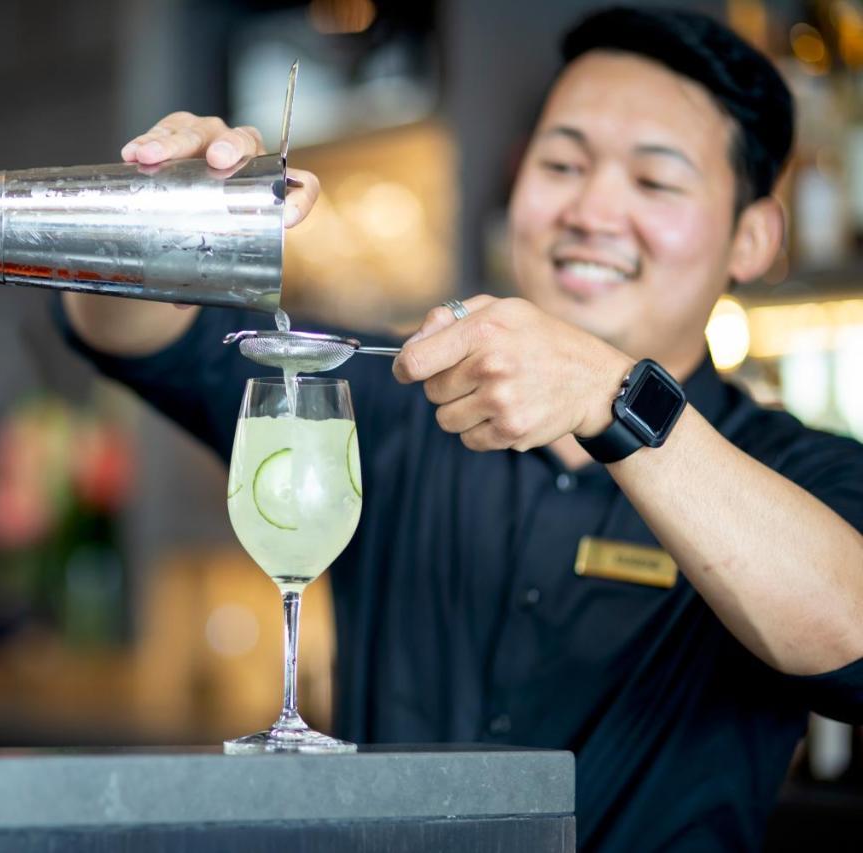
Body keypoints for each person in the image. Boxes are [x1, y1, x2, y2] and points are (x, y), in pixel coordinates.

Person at [55, 6, 863, 851]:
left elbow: (849, 629)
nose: (591, 208)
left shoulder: (793, 471)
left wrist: (609, 394)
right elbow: (131, 334)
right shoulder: (394, 397)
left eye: (654, 182)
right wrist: (156, 215)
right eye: (562, 162)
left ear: (754, 238)